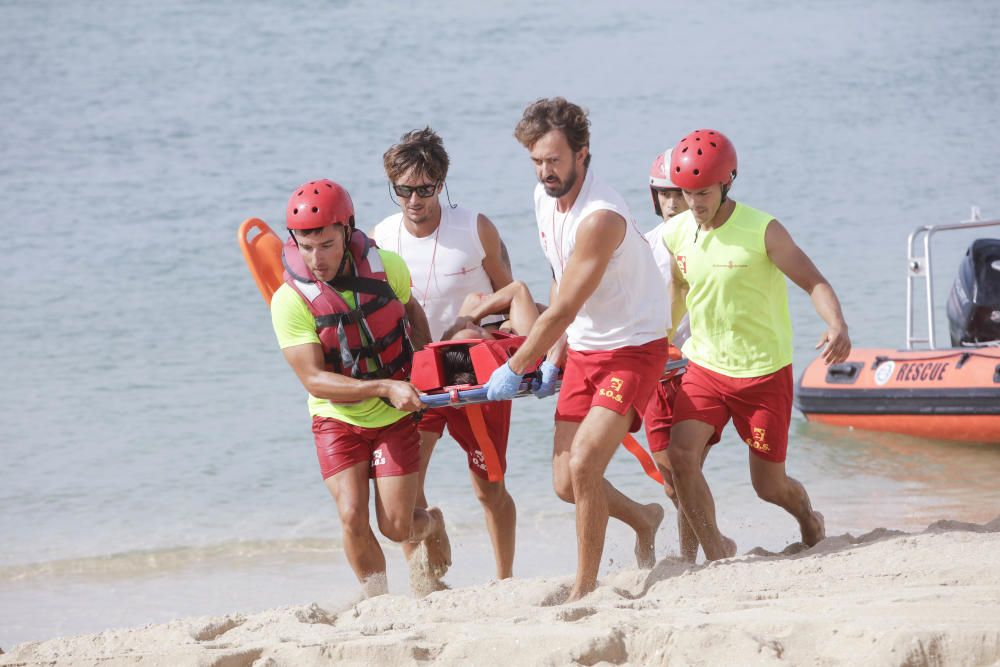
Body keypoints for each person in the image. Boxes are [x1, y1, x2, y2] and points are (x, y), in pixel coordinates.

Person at [486, 97, 668, 601]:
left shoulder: (600, 218)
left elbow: (561, 306)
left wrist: (517, 364)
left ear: (583, 154)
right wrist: (555, 354)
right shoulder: (544, 198)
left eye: (555, 161)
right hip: (586, 346)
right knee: (566, 484)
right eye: (537, 162)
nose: (546, 172)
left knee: (586, 463)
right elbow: (557, 273)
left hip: (634, 347)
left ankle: (584, 591)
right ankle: (646, 519)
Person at [662, 129, 851, 561]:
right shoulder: (677, 233)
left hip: (764, 374)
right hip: (706, 369)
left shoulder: (763, 230)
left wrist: (836, 323)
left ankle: (808, 519)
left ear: (727, 182)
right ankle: (716, 554)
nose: (695, 203)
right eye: (687, 193)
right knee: (681, 456)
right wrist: (662, 341)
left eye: (704, 192)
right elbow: (676, 286)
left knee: (769, 487)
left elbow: (813, 281)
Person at [270, 179, 449, 597]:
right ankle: (378, 600)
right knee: (352, 515)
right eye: (306, 246)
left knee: (397, 527)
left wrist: (425, 368)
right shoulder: (289, 300)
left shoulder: (388, 267)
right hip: (338, 418)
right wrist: (385, 386)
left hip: (394, 418)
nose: (317, 258)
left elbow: (410, 312)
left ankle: (434, 523)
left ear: (348, 232)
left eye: (328, 245)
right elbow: (313, 379)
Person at [372, 128, 518, 582]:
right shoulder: (381, 238)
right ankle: (425, 582)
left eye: (426, 188)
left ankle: (505, 580)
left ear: (442, 183)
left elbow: (509, 298)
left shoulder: (475, 228)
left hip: (472, 370)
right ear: (392, 186)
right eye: (404, 190)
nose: (414, 200)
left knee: (488, 487)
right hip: (416, 371)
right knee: (407, 493)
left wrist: (481, 326)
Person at [641, 147, 712, 563]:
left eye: (680, 193)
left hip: (697, 367)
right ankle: (709, 541)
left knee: (687, 466)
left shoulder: (710, 240)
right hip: (655, 369)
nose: (672, 202)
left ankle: (692, 556)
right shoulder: (645, 243)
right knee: (670, 479)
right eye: (664, 194)